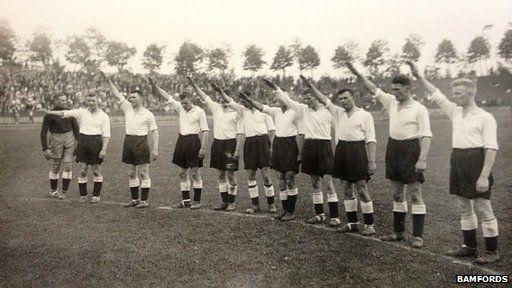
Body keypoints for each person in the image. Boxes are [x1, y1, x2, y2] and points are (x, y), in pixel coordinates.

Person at [407, 61, 500, 264]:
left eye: (458, 93)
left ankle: (492, 251)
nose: (454, 96)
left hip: (477, 161)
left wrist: (484, 175)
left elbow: (491, 148)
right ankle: (470, 246)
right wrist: (419, 76)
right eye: (454, 93)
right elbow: (437, 94)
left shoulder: (485, 117)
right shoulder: (455, 111)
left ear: (470, 94)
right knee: (463, 205)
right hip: (458, 159)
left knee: (483, 206)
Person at [346, 62, 432, 248]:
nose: (395, 93)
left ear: (408, 89)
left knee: (415, 194)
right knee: (396, 193)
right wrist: (357, 73)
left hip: (411, 149)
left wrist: (422, 158)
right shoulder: (391, 102)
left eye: (398, 90)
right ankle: (398, 232)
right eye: (393, 90)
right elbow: (372, 88)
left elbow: (426, 136)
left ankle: (418, 235)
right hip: (393, 148)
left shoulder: (419, 109)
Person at [303, 76, 377, 236]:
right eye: (341, 99)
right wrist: (312, 86)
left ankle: (369, 224)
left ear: (353, 98)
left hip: (358, 150)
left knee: (362, 189)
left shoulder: (365, 115)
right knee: (346, 188)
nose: (343, 101)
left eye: (346, 98)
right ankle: (352, 223)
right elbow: (324, 100)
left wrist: (371, 161)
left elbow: (371, 139)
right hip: (342, 150)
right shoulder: (338, 112)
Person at [264, 78, 341, 227]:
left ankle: (335, 216)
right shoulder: (303, 109)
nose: (308, 101)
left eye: (310, 98)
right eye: (306, 99)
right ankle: (319, 214)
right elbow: (287, 100)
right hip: (310, 146)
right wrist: (275, 88)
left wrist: (338, 145)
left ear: (317, 98)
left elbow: (338, 128)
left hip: (324, 145)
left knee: (328, 182)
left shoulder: (328, 111)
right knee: (314, 182)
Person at [235, 84, 303, 221]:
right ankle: (273, 208)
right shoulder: (273, 111)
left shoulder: (296, 112)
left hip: (278, 144)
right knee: (277, 179)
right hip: (256, 144)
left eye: (283, 99)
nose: (281, 101)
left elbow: (273, 130)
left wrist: (271, 146)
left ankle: (279, 207)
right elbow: (255, 107)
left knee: (280, 177)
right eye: (279, 99)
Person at [150, 78, 209, 210]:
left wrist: (203, 148)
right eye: (182, 103)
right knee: (182, 173)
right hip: (181, 141)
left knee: (195, 173)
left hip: (194, 141)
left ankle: (197, 201)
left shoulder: (200, 112)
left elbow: (205, 131)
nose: (184, 105)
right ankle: (186, 201)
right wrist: (156, 87)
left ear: (191, 100)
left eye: (186, 103)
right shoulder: (180, 107)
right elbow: (167, 96)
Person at [41, 92, 111, 203]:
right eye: (89, 100)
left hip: (95, 142)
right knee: (82, 170)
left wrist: (104, 149)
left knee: (96, 170)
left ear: (98, 101)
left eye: (93, 100)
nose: (91, 103)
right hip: (82, 142)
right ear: (86, 101)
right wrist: (49, 112)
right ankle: (82, 195)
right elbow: (64, 113)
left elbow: (106, 134)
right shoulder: (82, 112)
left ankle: (95, 195)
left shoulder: (103, 116)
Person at [217, 88, 277, 214]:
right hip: (249, 143)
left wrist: (270, 147)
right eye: (242, 101)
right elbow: (230, 101)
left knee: (266, 176)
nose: (243, 103)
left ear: (250, 99)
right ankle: (255, 205)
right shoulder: (242, 110)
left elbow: (271, 131)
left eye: (245, 101)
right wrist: (221, 92)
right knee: (251, 176)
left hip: (263, 142)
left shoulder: (263, 110)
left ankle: (271, 204)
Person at [188, 78, 244, 211]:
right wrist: (194, 84)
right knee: (220, 175)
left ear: (229, 98)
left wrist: (237, 150)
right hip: (217, 144)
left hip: (230, 145)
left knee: (231, 175)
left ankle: (232, 202)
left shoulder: (238, 111)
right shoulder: (216, 108)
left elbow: (240, 133)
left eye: (224, 98)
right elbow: (204, 96)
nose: (221, 100)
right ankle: (224, 202)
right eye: (220, 98)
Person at [104, 73, 159, 208]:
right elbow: (117, 94)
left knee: (143, 172)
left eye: (134, 97)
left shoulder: (148, 114)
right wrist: (109, 81)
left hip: (141, 142)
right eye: (130, 98)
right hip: (128, 141)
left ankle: (144, 200)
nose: (131, 99)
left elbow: (155, 132)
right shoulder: (127, 108)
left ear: (140, 99)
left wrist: (155, 148)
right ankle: (135, 199)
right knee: (131, 173)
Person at [40, 94, 80, 199]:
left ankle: (64, 192)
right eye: (62, 100)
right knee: (56, 166)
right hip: (55, 140)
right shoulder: (49, 115)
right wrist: (45, 148)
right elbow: (43, 132)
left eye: (65, 100)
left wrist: (79, 144)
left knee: (68, 165)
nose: (65, 102)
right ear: (56, 101)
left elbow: (76, 130)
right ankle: (53, 191)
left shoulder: (70, 113)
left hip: (69, 139)